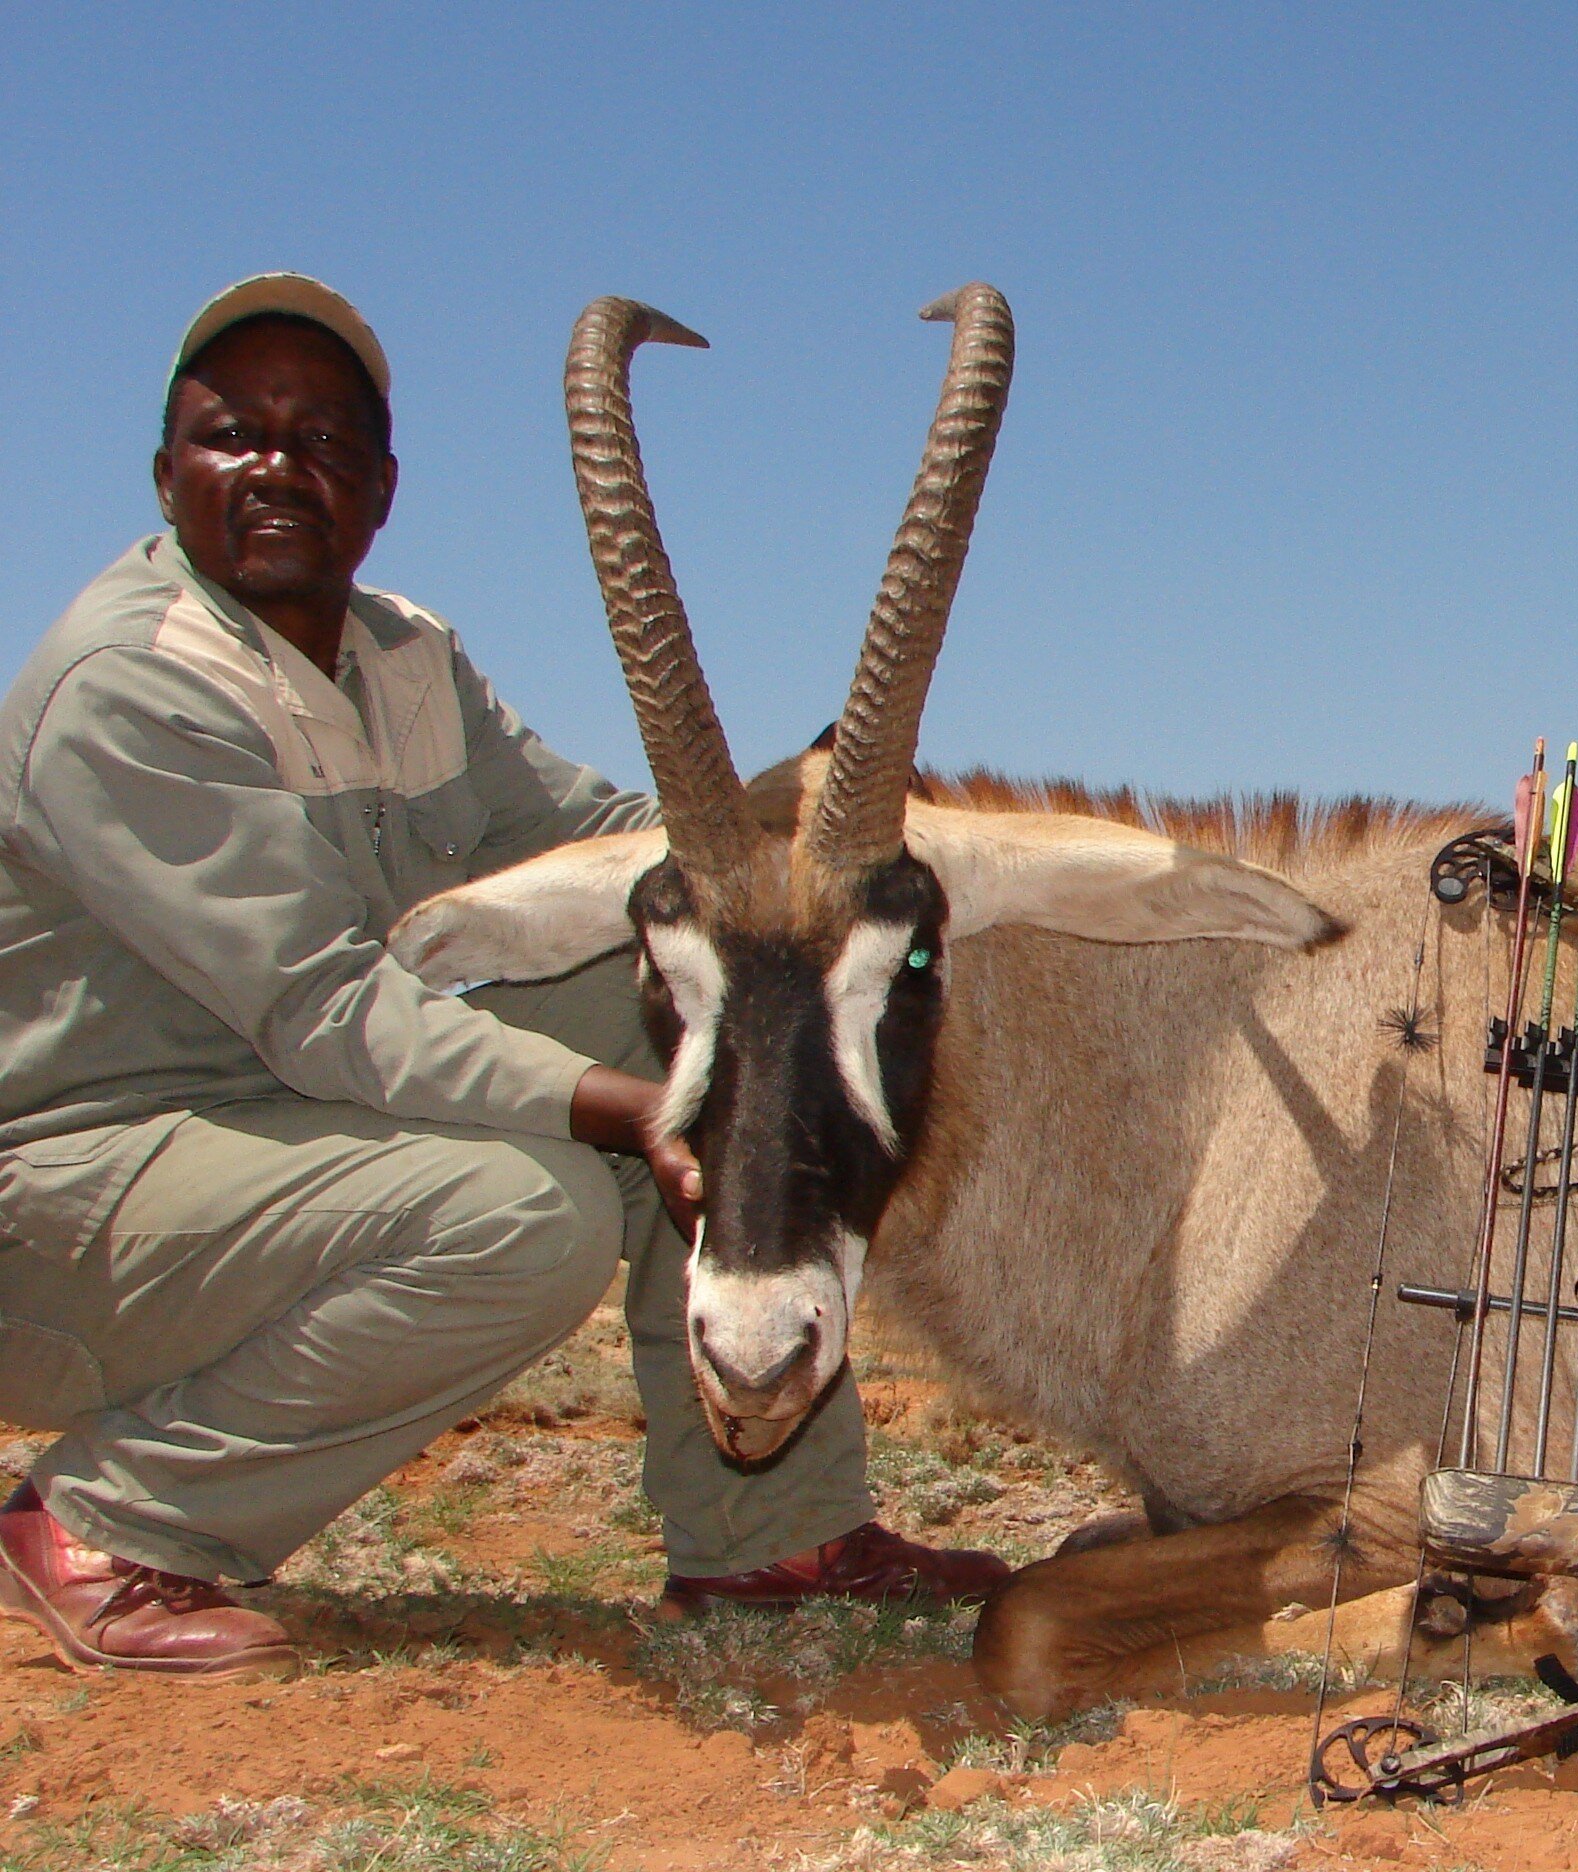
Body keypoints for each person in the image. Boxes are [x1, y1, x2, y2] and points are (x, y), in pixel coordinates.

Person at [0, 274, 1007, 1680]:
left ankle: (770, 1530)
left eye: (327, 441)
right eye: (237, 433)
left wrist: (815, 799)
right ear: (165, 471)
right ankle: (105, 1519)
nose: (283, 466)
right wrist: (634, 1108)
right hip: (68, 1210)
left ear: (383, 487)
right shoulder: (125, 688)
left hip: (277, 1148)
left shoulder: (404, 660)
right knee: (521, 1213)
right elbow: (325, 1013)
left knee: (710, 1017)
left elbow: (622, 848)